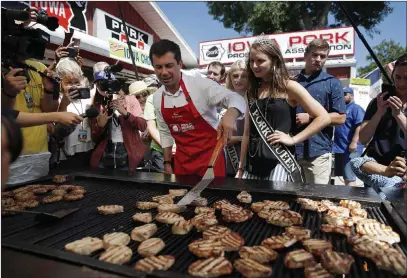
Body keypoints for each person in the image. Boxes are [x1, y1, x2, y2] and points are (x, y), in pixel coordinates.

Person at [236, 38, 330, 181]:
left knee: (276, 204)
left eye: (260, 61)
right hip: (253, 164)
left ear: (274, 60)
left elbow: (324, 117)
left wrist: (293, 139)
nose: (254, 65)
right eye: (251, 61)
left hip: (281, 163)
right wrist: (240, 167)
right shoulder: (251, 92)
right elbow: (247, 133)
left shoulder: (289, 86)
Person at [150, 39, 246, 177]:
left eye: (169, 65)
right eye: (158, 67)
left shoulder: (201, 85)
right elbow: (165, 133)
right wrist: (166, 163)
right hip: (182, 165)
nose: (164, 72)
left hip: (210, 164)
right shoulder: (158, 97)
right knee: (182, 198)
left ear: (180, 64)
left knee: (214, 199)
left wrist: (231, 114)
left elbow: (236, 98)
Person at [350, 54, 407, 194]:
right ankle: (392, 185)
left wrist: (398, 115)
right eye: (398, 77)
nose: (401, 83)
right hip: (376, 168)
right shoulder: (379, 101)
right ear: (392, 75)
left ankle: (394, 186)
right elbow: (363, 138)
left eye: (406, 78)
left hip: (403, 172)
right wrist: (379, 112)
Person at [295, 39, 346, 184]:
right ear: (305, 56)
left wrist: (310, 117)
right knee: (291, 198)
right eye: (315, 55)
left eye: (323, 56)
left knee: (317, 200)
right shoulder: (292, 82)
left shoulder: (332, 82)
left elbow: (341, 118)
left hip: (318, 152)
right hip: (291, 152)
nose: (318, 59)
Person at [90, 62, 147, 175]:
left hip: (128, 156)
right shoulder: (96, 106)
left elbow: (142, 125)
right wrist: (100, 125)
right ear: (96, 85)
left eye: (107, 81)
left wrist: (125, 113)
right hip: (105, 157)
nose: (105, 87)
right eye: (101, 83)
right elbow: (95, 138)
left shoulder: (130, 100)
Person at [333, 87, 365, 186]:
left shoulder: (356, 108)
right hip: (340, 148)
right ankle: (345, 197)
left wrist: (354, 142)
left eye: (345, 94)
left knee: (349, 176)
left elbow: (360, 125)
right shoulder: (341, 109)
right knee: (344, 176)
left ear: (351, 95)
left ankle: (350, 199)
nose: (342, 96)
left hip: (351, 149)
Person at [223, 60, 248, 176]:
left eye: (244, 76)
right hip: (229, 155)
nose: (239, 79)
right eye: (235, 76)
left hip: (249, 155)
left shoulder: (255, 99)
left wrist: (238, 138)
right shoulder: (224, 99)